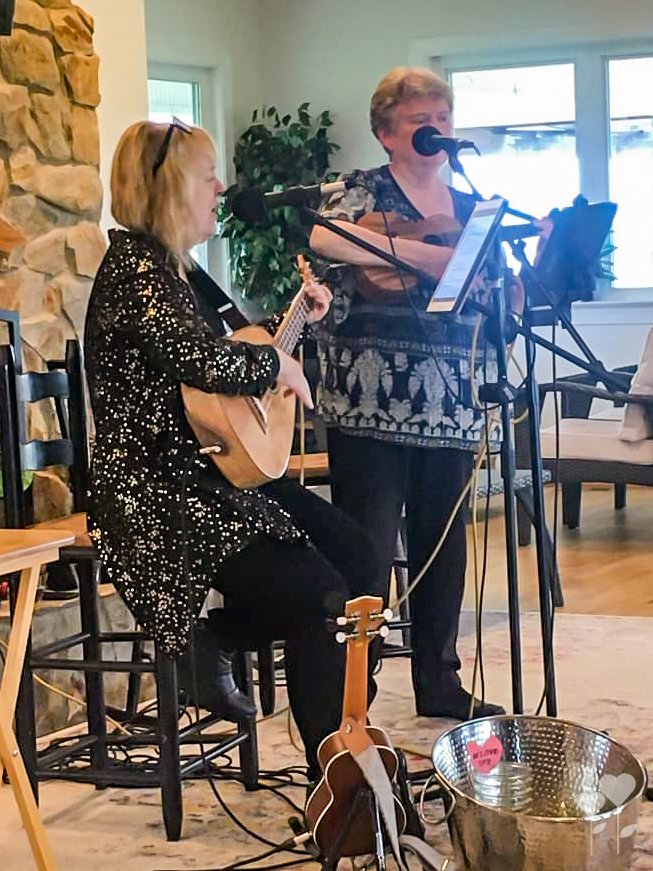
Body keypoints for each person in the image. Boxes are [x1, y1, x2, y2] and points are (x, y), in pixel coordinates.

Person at [84, 118, 386, 778]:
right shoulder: (134, 268)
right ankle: (334, 783)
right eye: (206, 176)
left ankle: (223, 644)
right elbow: (193, 357)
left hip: (210, 471)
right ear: (169, 187)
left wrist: (295, 319)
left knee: (361, 558)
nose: (221, 187)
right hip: (154, 490)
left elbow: (234, 351)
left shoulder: (177, 271)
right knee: (318, 596)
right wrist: (273, 370)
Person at [310, 67, 513, 721]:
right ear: (385, 132)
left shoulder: (470, 205)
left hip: (449, 401)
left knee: (444, 544)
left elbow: (490, 295)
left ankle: (440, 679)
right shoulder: (356, 190)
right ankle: (354, 687)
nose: (435, 130)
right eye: (419, 120)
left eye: (443, 119)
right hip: (366, 400)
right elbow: (322, 236)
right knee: (366, 550)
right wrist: (424, 258)